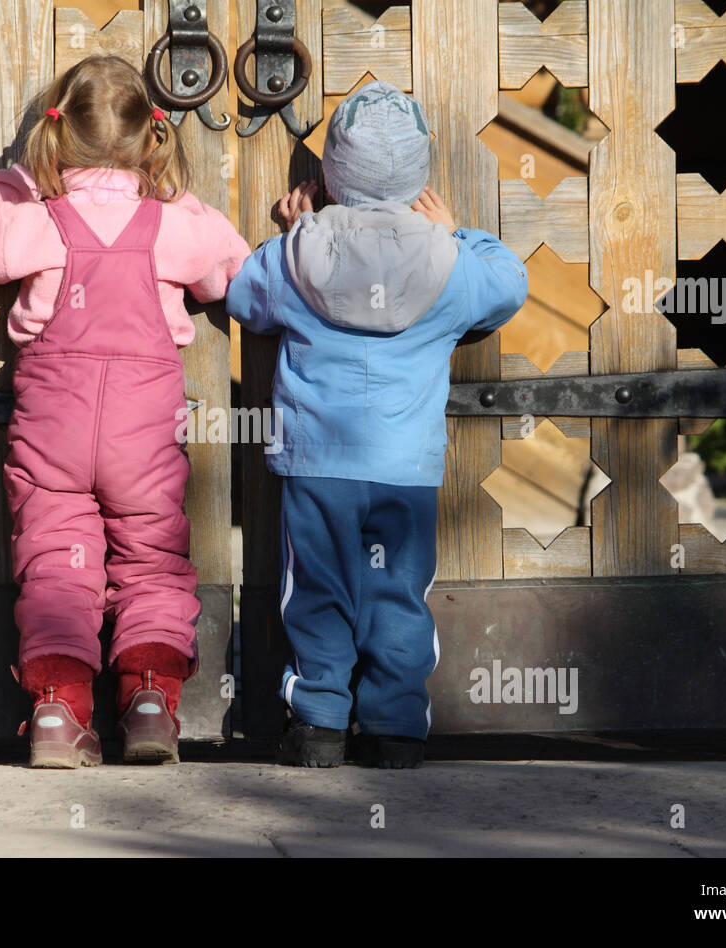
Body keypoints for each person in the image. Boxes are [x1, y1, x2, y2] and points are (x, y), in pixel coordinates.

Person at [0, 56, 250, 767]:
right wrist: (176, 199)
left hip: (56, 430)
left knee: (55, 564)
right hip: (142, 435)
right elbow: (233, 267)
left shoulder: (39, 221)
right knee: (153, 562)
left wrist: (10, 184)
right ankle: (147, 703)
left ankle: (56, 713)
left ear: (54, 139)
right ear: (150, 141)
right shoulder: (170, 225)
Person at [225, 81, 529, 768]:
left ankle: (320, 721)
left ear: (331, 173)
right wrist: (454, 234)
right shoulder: (450, 265)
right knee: (397, 591)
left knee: (317, 590)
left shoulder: (299, 254)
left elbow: (244, 297)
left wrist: (295, 229)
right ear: (419, 174)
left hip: (318, 463)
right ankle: (395, 726)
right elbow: (509, 281)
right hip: (405, 466)